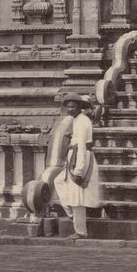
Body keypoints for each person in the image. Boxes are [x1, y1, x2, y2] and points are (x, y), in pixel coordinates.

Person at [54, 94, 102, 239]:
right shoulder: (77, 120)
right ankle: (71, 215)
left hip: (80, 158)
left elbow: (81, 144)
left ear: (80, 107)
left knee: (77, 197)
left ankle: (80, 231)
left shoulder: (82, 121)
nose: (70, 109)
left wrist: (79, 169)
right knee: (58, 181)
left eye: (73, 107)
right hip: (75, 157)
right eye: (68, 107)